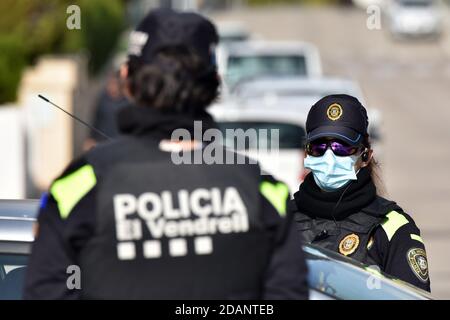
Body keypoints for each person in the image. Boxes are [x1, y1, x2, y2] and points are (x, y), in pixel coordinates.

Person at [24, 8, 308, 299]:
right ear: (215, 83)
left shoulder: (79, 188)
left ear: (127, 78)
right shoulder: (262, 192)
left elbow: (44, 290)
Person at [289, 94, 430, 292]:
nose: (329, 156)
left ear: (365, 155)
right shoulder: (281, 220)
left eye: (341, 147)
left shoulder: (392, 228)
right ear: (306, 153)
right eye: (319, 147)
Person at [83, 71, 129, 151]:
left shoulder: (126, 102)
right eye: (109, 83)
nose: (111, 86)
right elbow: (96, 119)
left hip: (120, 143)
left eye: (114, 84)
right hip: (102, 142)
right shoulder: (103, 99)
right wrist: (90, 138)